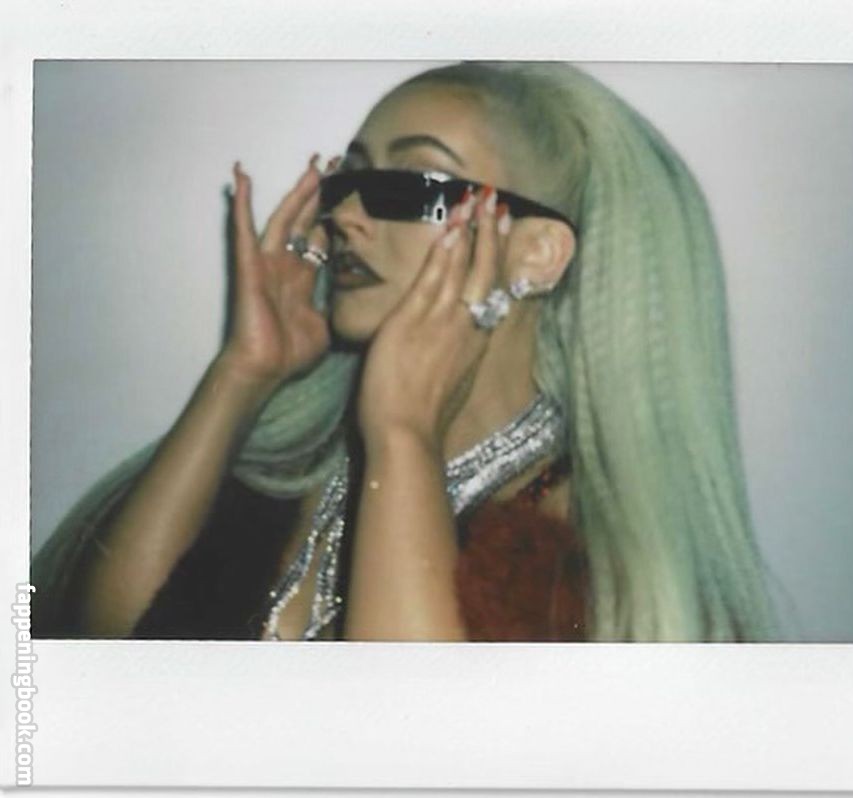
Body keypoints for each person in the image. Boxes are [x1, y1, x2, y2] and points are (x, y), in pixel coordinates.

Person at [31, 61, 780, 643]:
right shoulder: (312, 467)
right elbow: (111, 636)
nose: (348, 216)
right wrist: (244, 371)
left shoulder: (572, 563)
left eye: (413, 186)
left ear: (538, 252)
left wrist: (402, 435)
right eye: (350, 179)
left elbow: (410, 740)